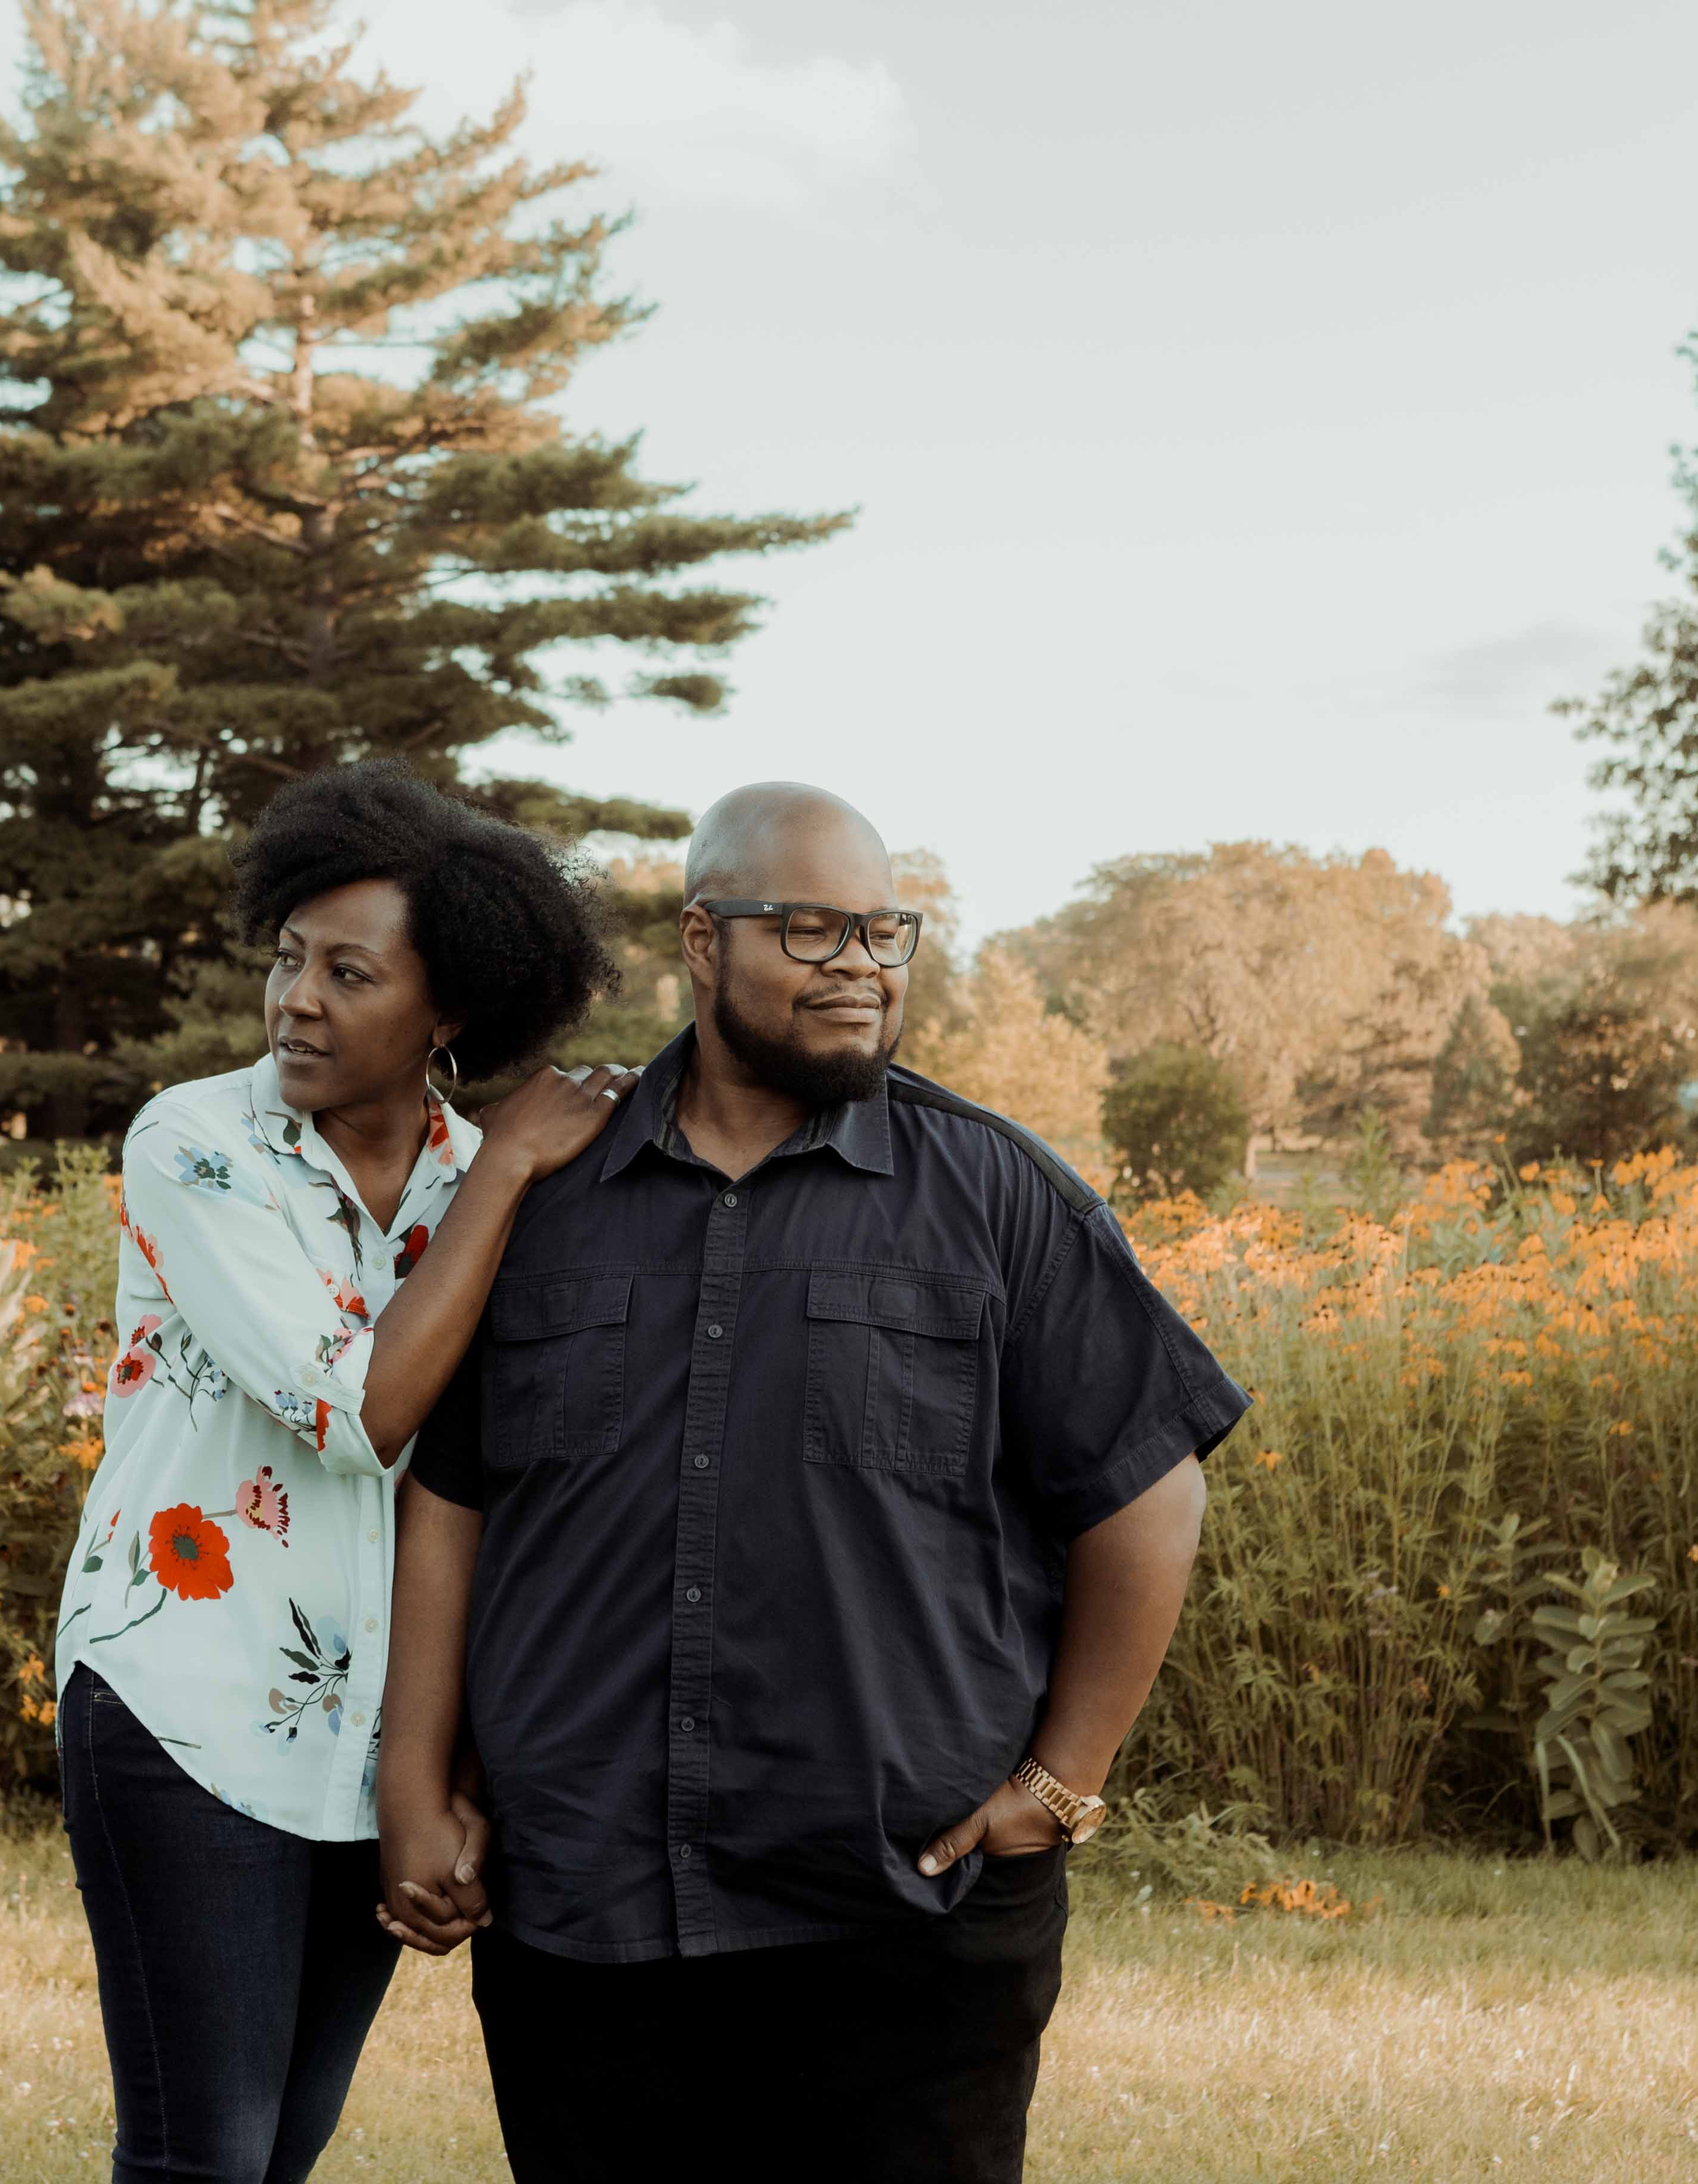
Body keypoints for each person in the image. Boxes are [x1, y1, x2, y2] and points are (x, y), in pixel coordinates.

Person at [375, 782, 1247, 2184]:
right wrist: (411, 1782)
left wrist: (1063, 1783)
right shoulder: (541, 1191)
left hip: (907, 1910)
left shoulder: (996, 1193)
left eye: (885, 932)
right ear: (703, 940)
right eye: (812, 929)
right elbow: (452, 1498)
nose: (861, 965)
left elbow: (1147, 1489)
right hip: (590, 1904)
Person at [51, 762, 637, 2184]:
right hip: (184, 1701)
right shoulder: (198, 1144)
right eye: (288, 959)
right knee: (206, 2150)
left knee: (285, 2143)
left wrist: (445, 1780)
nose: (296, 999)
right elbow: (357, 1418)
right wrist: (507, 1176)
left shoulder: (474, 1179)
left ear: (447, 1013)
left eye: (347, 973)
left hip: (376, 1738)